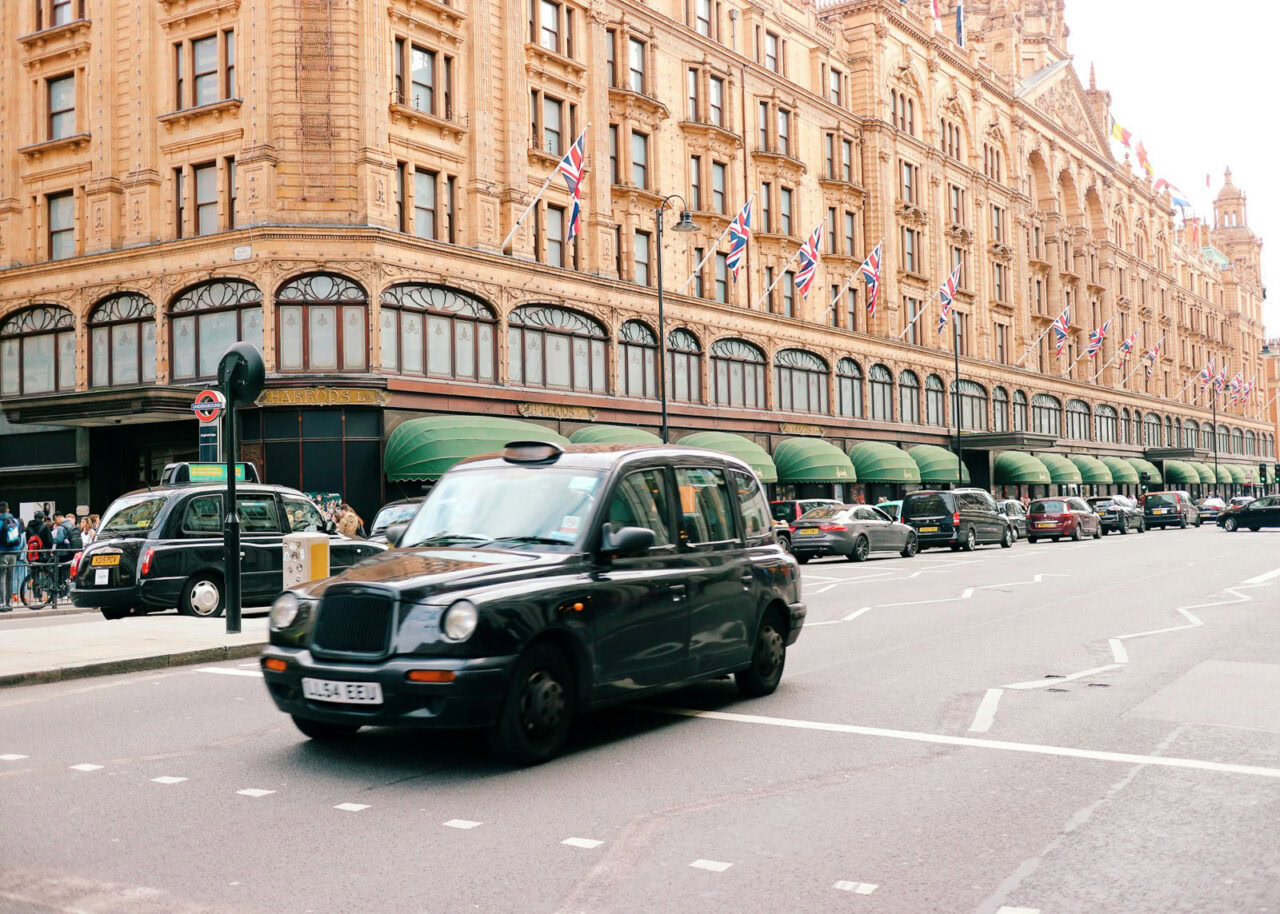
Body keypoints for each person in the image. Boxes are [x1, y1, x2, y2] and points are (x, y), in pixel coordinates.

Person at [0, 501, 21, 610]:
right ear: (8, 510)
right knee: (10, 578)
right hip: (13, 553)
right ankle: (9, 603)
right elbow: (19, 538)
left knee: (1, 578)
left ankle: (1, 603)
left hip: (1, 553)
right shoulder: (16, 522)